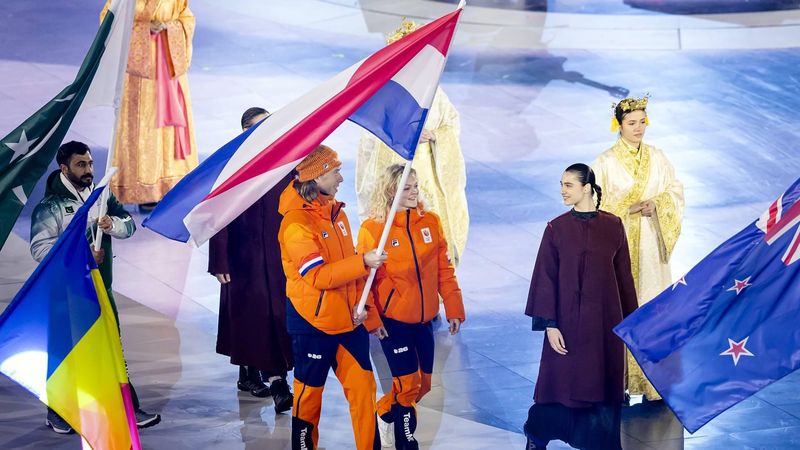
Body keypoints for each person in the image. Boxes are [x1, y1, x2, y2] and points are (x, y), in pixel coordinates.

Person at [30, 141, 161, 434]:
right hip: (67, 294)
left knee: (112, 347)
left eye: (89, 163)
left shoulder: (101, 194)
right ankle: (57, 411)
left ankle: (127, 408)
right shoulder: (50, 206)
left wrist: (111, 224)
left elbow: (129, 225)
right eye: (81, 165)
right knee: (66, 353)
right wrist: (84, 256)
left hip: (101, 288)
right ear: (64, 168)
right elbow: (40, 250)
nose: (88, 170)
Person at [278, 145, 387, 449]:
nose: (341, 177)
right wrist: (362, 261)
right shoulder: (295, 224)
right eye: (335, 171)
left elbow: (353, 273)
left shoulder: (339, 214)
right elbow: (318, 276)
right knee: (309, 398)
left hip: (349, 322)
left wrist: (370, 315)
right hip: (313, 325)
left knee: (364, 392)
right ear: (316, 177)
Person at [523, 164, 638, 450]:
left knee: (603, 390)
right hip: (567, 328)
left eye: (568, 185)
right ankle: (537, 433)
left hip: (604, 328)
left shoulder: (613, 226)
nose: (562, 191)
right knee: (561, 387)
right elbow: (545, 278)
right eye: (561, 185)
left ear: (586, 188)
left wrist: (633, 325)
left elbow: (624, 278)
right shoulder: (556, 229)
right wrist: (550, 325)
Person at [357, 164, 466, 449]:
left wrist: (453, 307)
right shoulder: (373, 229)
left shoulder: (430, 222)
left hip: (425, 320)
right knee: (407, 386)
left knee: (423, 384)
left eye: (415, 186)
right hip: (394, 322)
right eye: (406, 188)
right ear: (390, 191)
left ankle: (384, 412)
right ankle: (407, 441)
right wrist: (373, 320)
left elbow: (444, 270)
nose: (414, 192)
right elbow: (364, 281)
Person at [592, 95, 684, 401]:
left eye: (642, 122)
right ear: (619, 125)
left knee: (653, 305)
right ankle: (617, 380)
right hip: (620, 246)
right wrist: (627, 208)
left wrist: (657, 204)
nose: (638, 128)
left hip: (650, 246)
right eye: (632, 123)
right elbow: (594, 204)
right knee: (620, 308)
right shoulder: (604, 163)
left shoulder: (658, 157)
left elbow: (674, 191)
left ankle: (653, 381)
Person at [356, 19, 469, 266]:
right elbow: (370, 141)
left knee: (432, 238)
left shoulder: (433, 91)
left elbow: (450, 122)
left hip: (428, 174)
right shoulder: (383, 92)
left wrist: (436, 136)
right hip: (394, 173)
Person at [208, 107, 294, 411]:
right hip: (243, 257)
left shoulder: (285, 161)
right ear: (245, 132)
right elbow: (218, 215)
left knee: (274, 316)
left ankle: (261, 374)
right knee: (251, 316)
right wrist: (219, 259)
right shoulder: (233, 167)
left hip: (279, 253)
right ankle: (271, 379)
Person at [101, 0, 198, 208]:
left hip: (169, 62)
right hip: (139, 75)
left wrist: (170, 28)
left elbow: (186, 17)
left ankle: (173, 185)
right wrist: (144, 28)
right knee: (143, 127)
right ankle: (145, 189)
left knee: (169, 129)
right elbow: (109, 21)